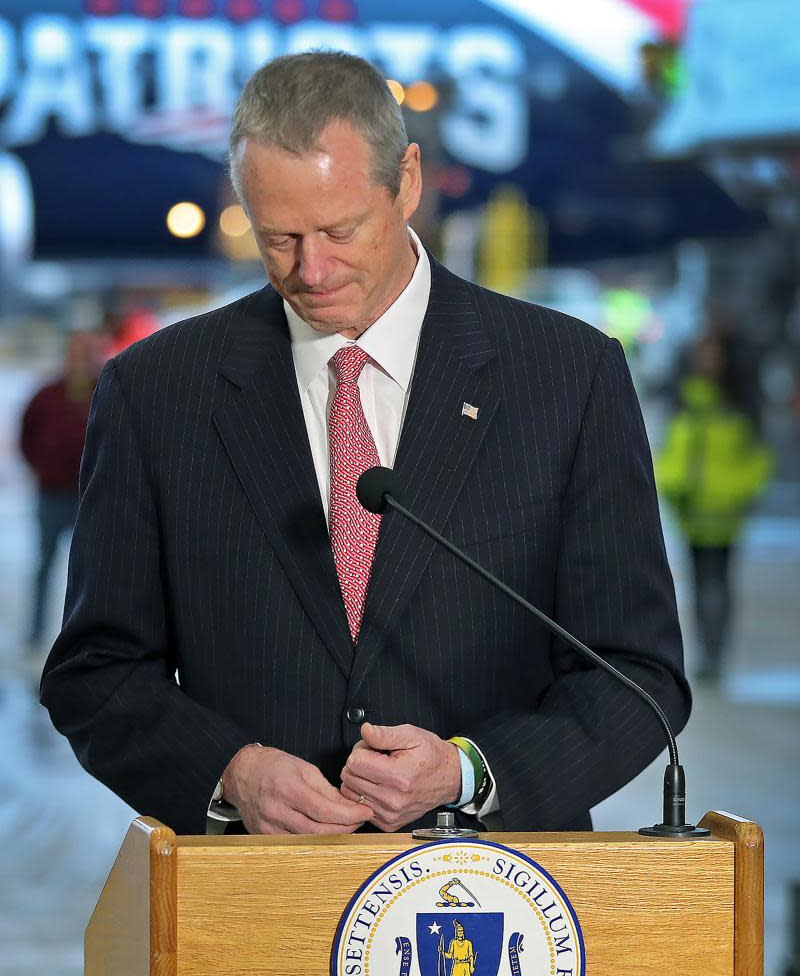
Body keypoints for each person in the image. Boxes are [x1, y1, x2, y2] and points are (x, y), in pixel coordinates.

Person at [40, 52, 690, 837]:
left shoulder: (569, 375)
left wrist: (470, 771)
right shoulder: (156, 393)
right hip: (258, 902)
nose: (311, 271)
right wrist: (227, 771)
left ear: (407, 181)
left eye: (340, 230)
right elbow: (95, 674)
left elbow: (637, 674)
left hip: (493, 899)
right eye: (277, 237)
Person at [656, 334, 772, 682]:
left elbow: (757, 460)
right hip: (692, 513)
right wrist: (674, 488)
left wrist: (739, 493)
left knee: (717, 583)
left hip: (724, 515)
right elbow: (672, 452)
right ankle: (708, 652)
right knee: (700, 585)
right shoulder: (686, 403)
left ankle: (715, 652)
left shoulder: (738, 408)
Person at [20, 331, 104, 650]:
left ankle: (89, 635)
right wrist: (41, 466)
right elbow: (26, 437)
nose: (81, 359)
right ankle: (36, 632)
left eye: (87, 352)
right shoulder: (47, 395)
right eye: (76, 352)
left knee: (93, 569)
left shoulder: (107, 388)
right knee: (44, 564)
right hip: (52, 493)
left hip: (92, 494)